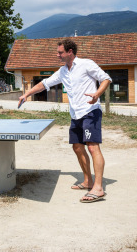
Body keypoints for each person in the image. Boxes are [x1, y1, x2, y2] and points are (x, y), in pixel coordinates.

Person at [18, 38, 112, 203]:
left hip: (90, 111)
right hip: (75, 115)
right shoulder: (63, 71)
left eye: (60, 52)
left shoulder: (86, 64)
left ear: (70, 52)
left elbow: (106, 79)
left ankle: (98, 188)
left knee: (92, 147)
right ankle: (87, 180)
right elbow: (44, 84)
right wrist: (26, 94)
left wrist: (97, 94)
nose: (57, 55)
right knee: (77, 147)